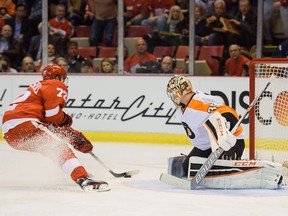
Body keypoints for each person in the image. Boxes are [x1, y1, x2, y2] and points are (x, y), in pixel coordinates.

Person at [1, 63, 110, 192]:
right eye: (62, 78)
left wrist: (71, 134)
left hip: (10, 133)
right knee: (60, 148)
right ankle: (82, 178)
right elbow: (53, 115)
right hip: (25, 123)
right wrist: (67, 121)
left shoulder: (37, 88)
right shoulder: (55, 84)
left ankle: (76, 171)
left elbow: (49, 123)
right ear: (57, 77)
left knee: (54, 149)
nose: (63, 81)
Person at [166, 75, 246, 176]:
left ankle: (234, 164)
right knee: (188, 167)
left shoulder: (197, 104)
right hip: (208, 146)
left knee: (221, 169)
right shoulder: (186, 104)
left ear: (178, 92)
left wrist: (224, 136)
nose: (172, 96)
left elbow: (228, 112)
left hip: (230, 143)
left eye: (172, 92)